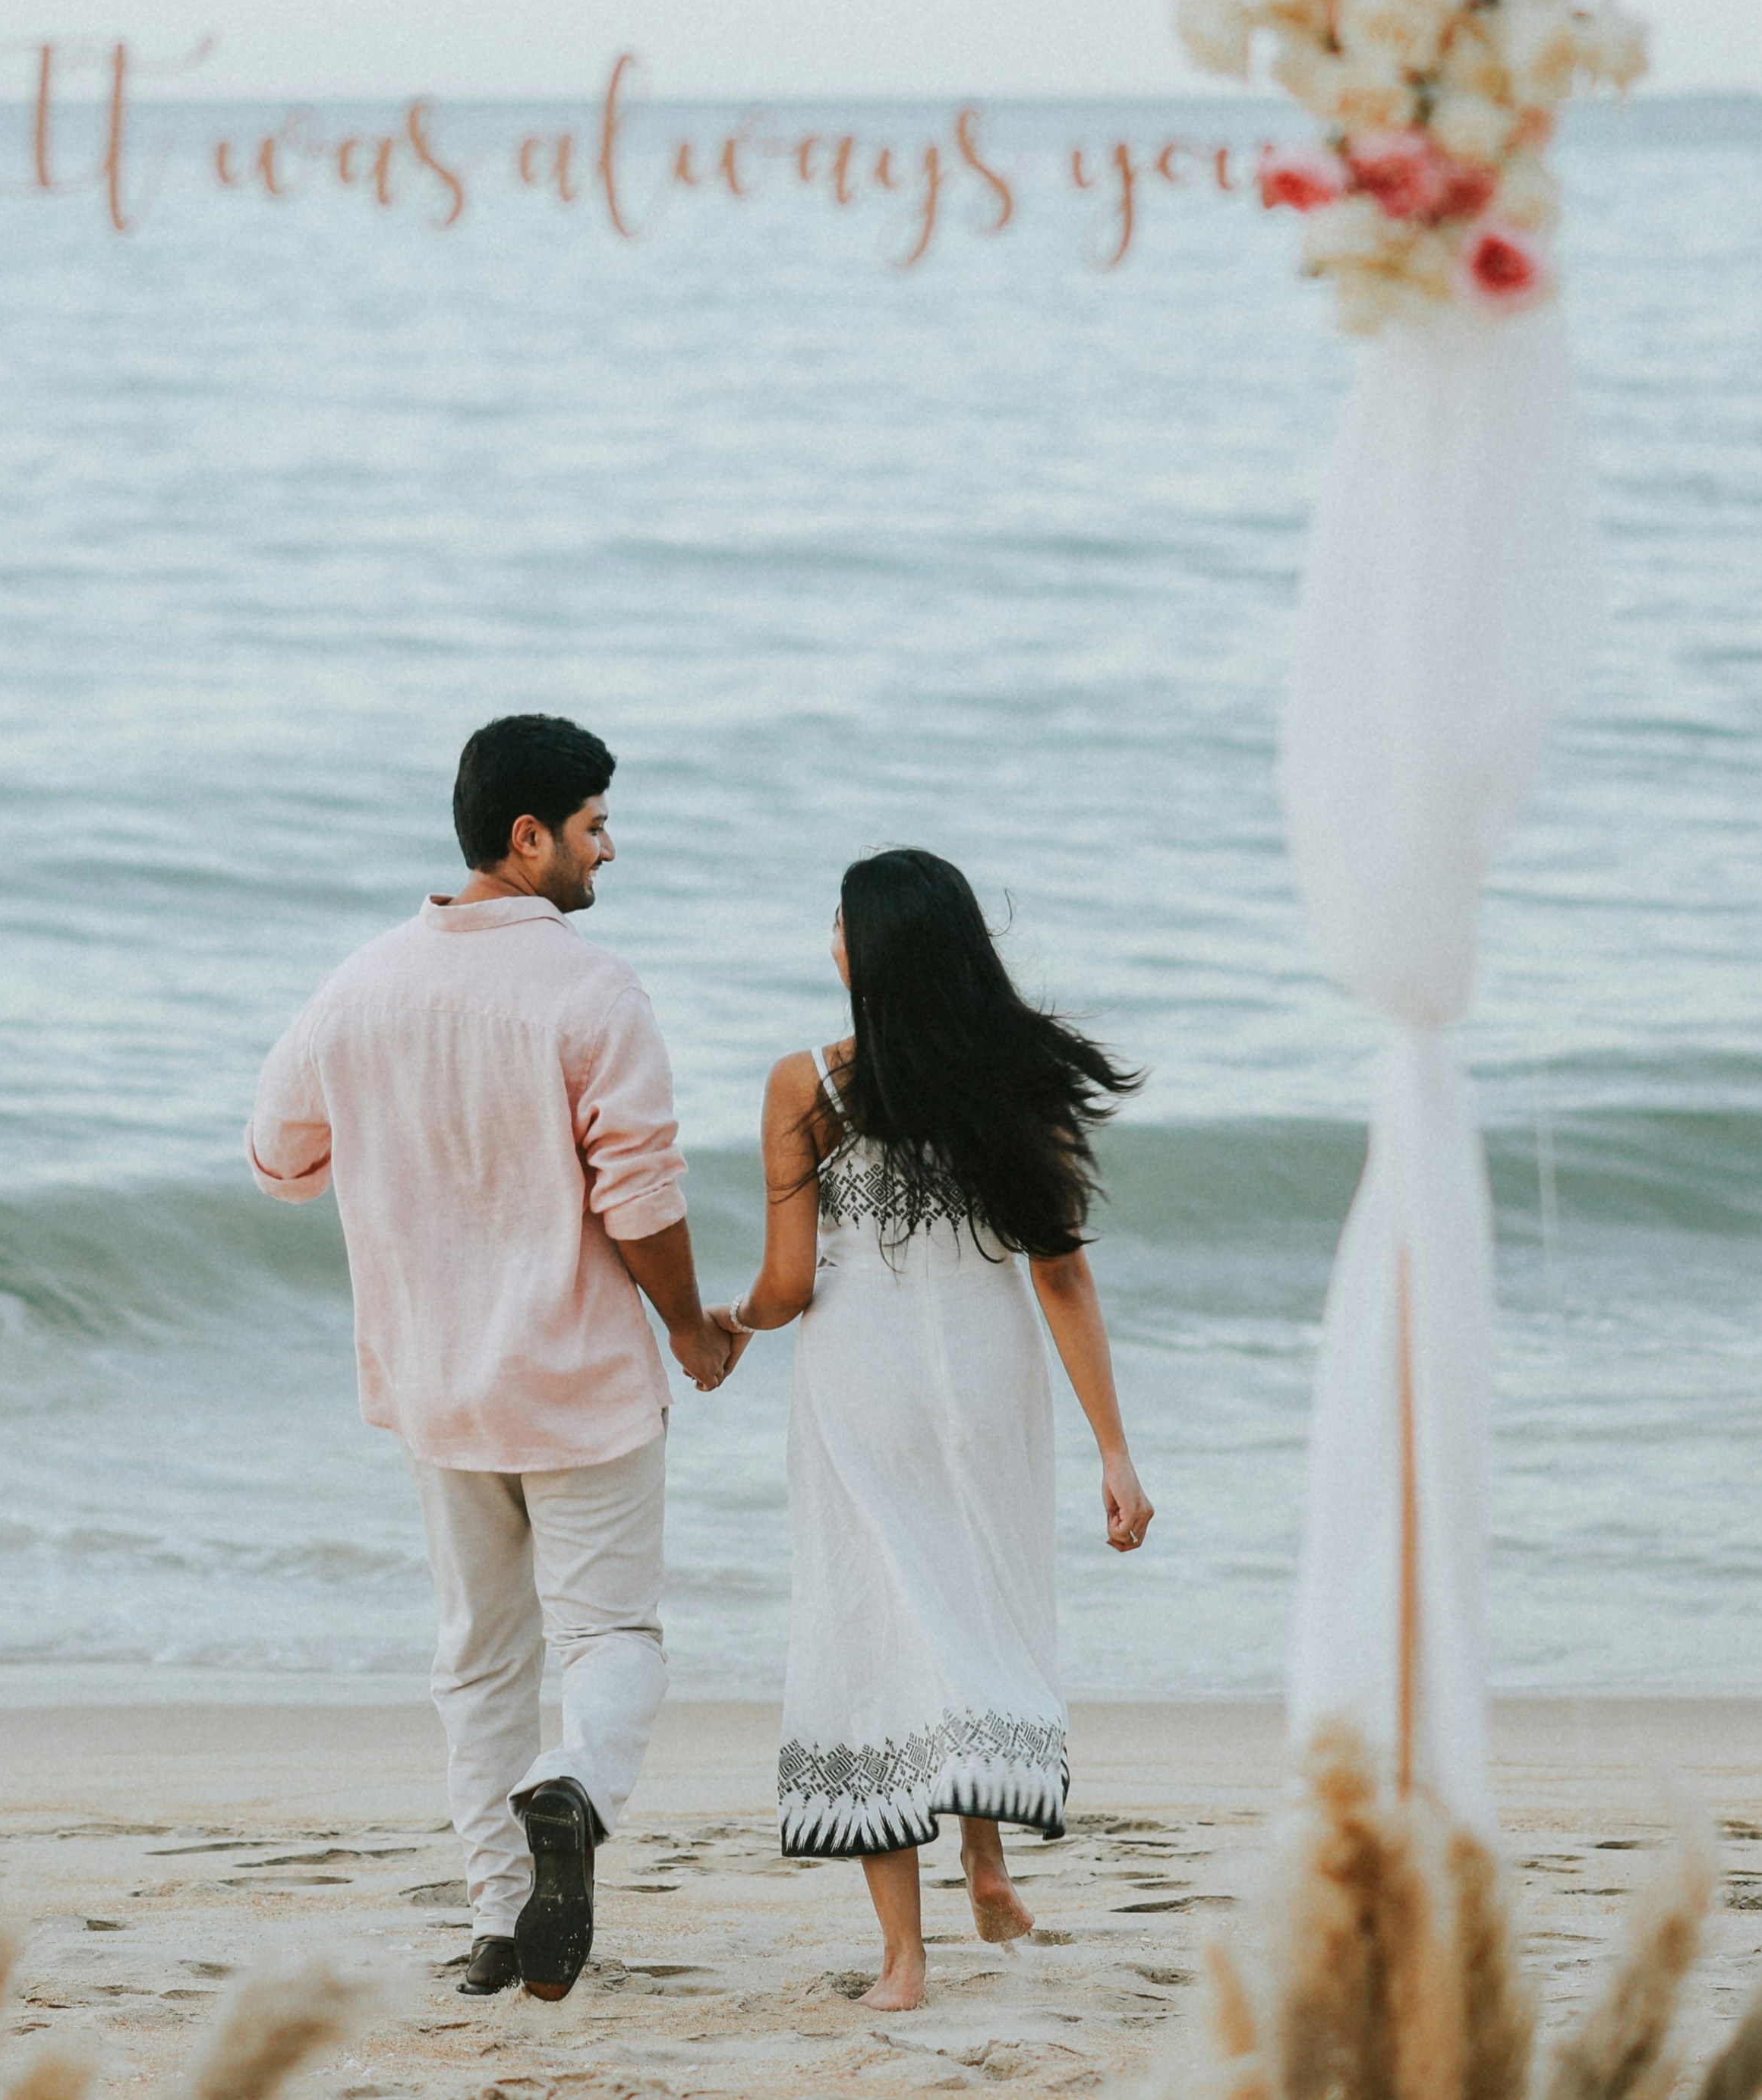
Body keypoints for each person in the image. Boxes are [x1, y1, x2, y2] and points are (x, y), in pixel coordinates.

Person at [247, 712, 742, 2001]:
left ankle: (493, 1919)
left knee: (476, 1655)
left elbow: (278, 1159)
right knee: (612, 1633)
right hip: (578, 1381)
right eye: (592, 827)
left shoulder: (357, 987)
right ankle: (574, 1793)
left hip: (435, 1386)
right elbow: (639, 1194)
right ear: (530, 840)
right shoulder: (592, 989)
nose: (608, 851)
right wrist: (691, 1329)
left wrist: (404, 1140)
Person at [739, 843, 1151, 2013]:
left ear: (863, 955)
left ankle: (903, 1961)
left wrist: (720, 1326)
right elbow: (1061, 1279)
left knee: (874, 1626)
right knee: (968, 1604)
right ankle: (985, 1858)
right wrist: (1116, 1452)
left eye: (838, 926)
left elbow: (786, 1286)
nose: (829, 940)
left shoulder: (805, 1088)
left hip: (861, 1383)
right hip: (986, 1384)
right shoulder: (1019, 1085)